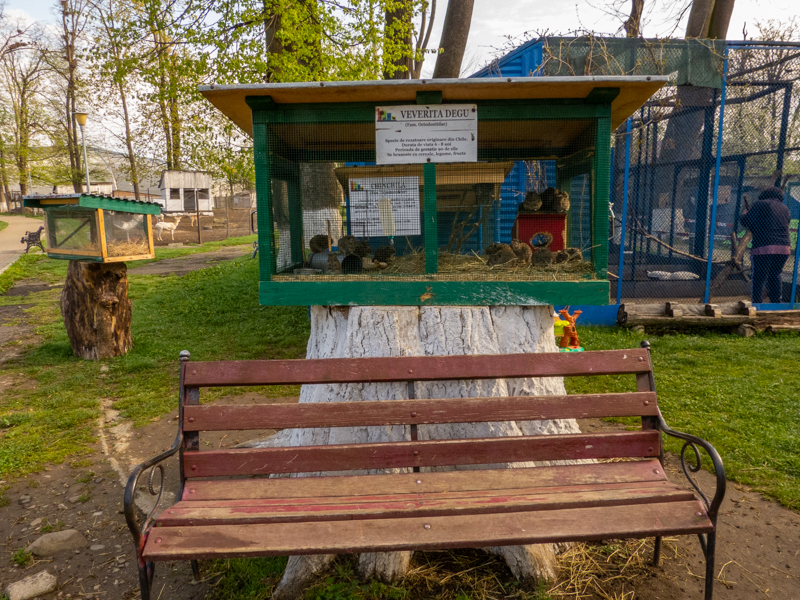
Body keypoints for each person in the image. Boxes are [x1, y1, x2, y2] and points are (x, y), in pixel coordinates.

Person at [740, 187, 791, 303]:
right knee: (775, 274)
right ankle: (776, 302)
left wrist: (744, 213)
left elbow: (745, 221)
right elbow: (785, 223)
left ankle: (757, 304)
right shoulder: (785, 208)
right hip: (784, 247)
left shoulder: (760, 204)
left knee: (759, 277)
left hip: (764, 247)